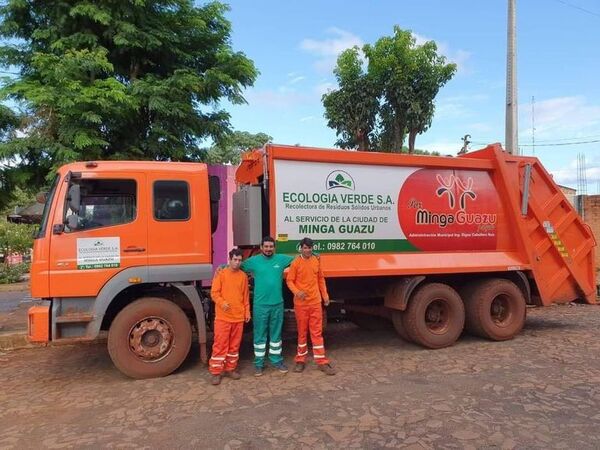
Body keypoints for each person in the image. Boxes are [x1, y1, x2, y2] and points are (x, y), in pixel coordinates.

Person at [242, 236, 294, 376]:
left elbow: (300, 259)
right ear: (261, 247)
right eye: (266, 246)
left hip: (277, 304)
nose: (269, 249)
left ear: (274, 248)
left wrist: (313, 254)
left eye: (271, 247)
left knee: (276, 335)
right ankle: (259, 364)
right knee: (260, 335)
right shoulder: (253, 261)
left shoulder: (281, 259)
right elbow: (237, 266)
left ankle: (276, 360)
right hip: (260, 306)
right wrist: (222, 268)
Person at [286, 237, 336, 375]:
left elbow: (321, 279)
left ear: (312, 248)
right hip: (301, 304)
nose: (307, 250)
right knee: (302, 333)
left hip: (315, 303)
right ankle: (300, 360)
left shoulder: (316, 261)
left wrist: (325, 296)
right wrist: (297, 292)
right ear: (301, 248)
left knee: (317, 333)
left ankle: (322, 362)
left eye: (309, 248)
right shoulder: (295, 263)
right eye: (305, 248)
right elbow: (289, 281)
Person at [209, 248, 251, 385]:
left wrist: (247, 312)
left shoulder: (243, 277)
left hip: (238, 318)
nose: (237, 263)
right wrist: (222, 303)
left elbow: (245, 297)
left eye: (240, 260)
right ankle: (216, 372)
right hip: (223, 317)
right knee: (220, 345)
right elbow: (214, 293)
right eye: (235, 260)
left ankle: (230, 369)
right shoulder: (221, 274)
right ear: (230, 260)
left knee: (234, 346)